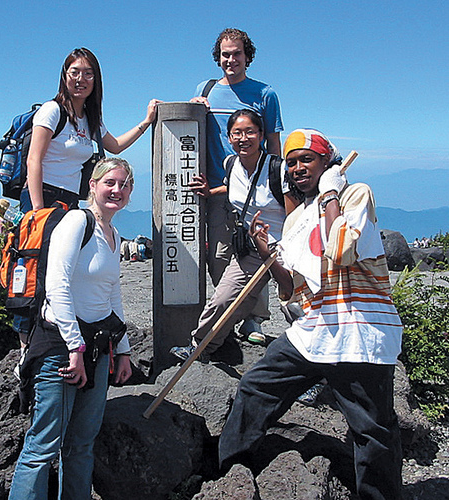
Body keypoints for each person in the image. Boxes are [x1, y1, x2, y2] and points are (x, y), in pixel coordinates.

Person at [218, 129, 403, 499]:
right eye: (291, 162)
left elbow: (341, 249)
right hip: (314, 329)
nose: (298, 167)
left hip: (359, 330)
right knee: (256, 387)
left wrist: (331, 192)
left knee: (371, 430)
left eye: (307, 159)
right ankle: (227, 474)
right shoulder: (297, 219)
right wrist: (268, 252)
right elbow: (291, 291)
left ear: (326, 162)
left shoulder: (354, 195)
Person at [13, 47, 159, 346]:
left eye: (88, 73)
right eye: (75, 72)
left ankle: (58, 335)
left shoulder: (89, 118)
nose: (81, 79)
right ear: (64, 76)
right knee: (37, 269)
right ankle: (27, 345)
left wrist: (146, 122)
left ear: (96, 79)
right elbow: (34, 160)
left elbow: (115, 146)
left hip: (70, 202)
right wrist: (38, 211)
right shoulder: (52, 111)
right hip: (42, 196)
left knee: (64, 268)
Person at [9, 157, 134, 499]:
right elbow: (56, 285)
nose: (117, 190)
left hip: (95, 347)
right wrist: (74, 347)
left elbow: (112, 292)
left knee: (81, 445)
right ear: (92, 185)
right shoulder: (77, 221)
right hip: (59, 349)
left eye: (124, 185)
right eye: (110, 182)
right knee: (42, 448)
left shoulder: (114, 233)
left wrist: (122, 350)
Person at [189, 28, 294, 342]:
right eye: (225, 54)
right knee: (221, 256)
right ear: (217, 58)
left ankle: (255, 320)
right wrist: (195, 107)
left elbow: (274, 143)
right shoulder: (205, 90)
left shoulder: (265, 93)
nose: (230, 60)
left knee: (260, 251)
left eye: (236, 53)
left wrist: (275, 186)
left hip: (259, 190)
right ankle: (231, 319)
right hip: (219, 187)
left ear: (248, 56)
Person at [170, 109, 290, 362]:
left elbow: (296, 214)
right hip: (252, 249)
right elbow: (236, 188)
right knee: (223, 300)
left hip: (287, 250)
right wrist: (210, 192)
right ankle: (201, 348)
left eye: (250, 132)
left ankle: (320, 374)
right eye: (237, 133)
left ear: (261, 135)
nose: (243, 138)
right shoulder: (231, 164)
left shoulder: (277, 169)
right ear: (229, 137)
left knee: (298, 308)